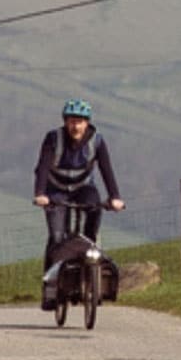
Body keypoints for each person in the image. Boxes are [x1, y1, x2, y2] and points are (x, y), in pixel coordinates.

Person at [34, 98, 124, 274]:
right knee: (57, 236)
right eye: (72, 121)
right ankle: (50, 282)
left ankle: (89, 258)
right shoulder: (53, 138)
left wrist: (115, 197)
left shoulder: (96, 141)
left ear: (87, 123)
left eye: (80, 122)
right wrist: (40, 193)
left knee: (94, 209)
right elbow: (43, 167)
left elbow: (107, 170)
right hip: (56, 190)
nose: (76, 127)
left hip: (83, 188)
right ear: (66, 122)